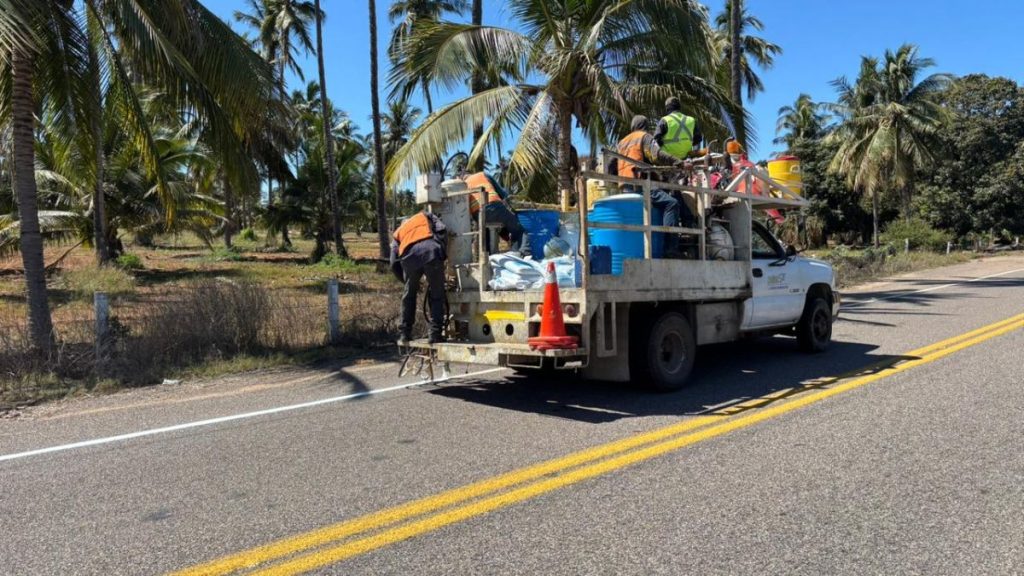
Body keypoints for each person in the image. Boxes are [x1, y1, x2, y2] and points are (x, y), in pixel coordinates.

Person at [614, 114, 695, 255]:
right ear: (645, 126)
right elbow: (657, 155)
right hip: (640, 184)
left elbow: (611, 166)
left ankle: (686, 227)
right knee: (672, 203)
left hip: (625, 186)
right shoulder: (644, 137)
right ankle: (671, 249)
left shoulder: (622, 142)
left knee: (672, 192)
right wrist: (679, 162)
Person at [390, 210, 447, 345]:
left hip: (409, 259)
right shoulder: (424, 215)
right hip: (431, 252)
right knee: (437, 294)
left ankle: (405, 333)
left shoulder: (398, 233)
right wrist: (442, 251)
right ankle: (435, 333)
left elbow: (393, 262)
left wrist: (406, 281)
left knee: (409, 296)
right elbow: (442, 228)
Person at [464, 171, 528, 256]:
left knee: (486, 235)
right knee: (519, 230)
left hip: (478, 214)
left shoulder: (463, 185)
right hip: (494, 207)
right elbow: (503, 194)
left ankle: (488, 258)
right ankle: (524, 253)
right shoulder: (482, 174)